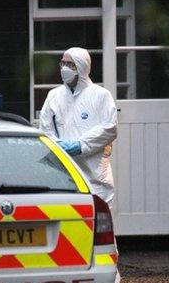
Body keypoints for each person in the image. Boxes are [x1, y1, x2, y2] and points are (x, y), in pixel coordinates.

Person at [39, 47, 118, 207]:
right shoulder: (54, 95)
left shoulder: (101, 95)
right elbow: (45, 128)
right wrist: (57, 146)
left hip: (95, 175)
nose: (64, 68)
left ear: (82, 67)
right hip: (63, 173)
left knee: (98, 223)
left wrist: (80, 146)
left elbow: (110, 128)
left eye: (70, 64)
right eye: (63, 63)